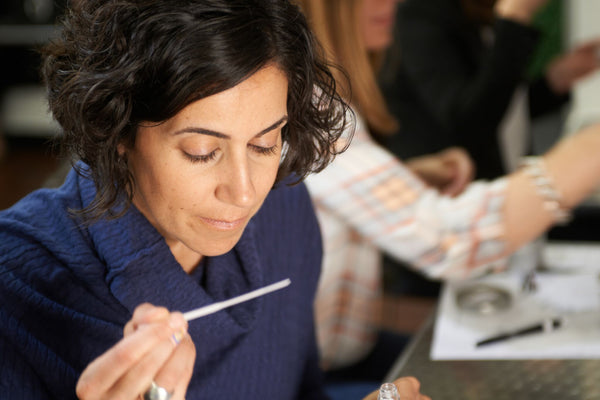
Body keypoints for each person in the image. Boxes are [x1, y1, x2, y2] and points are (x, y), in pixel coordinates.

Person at [0, 1, 431, 399]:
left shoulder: (284, 209)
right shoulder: (15, 288)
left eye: (264, 145)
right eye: (201, 152)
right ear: (116, 130)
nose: (244, 193)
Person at [296, 0, 600, 390]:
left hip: (349, 345)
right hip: (319, 371)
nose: (392, 3)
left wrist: (406, 177)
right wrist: (589, 150)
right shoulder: (309, 111)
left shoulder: (336, 101)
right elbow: (448, 238)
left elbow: (320, 190)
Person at [381, 0, 600, 179]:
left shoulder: (482, 14)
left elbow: (504, 109)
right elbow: (468, 122)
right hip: (451, 195)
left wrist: (556, 79)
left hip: (505, 181)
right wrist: (514, 19)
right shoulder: (420, 15)